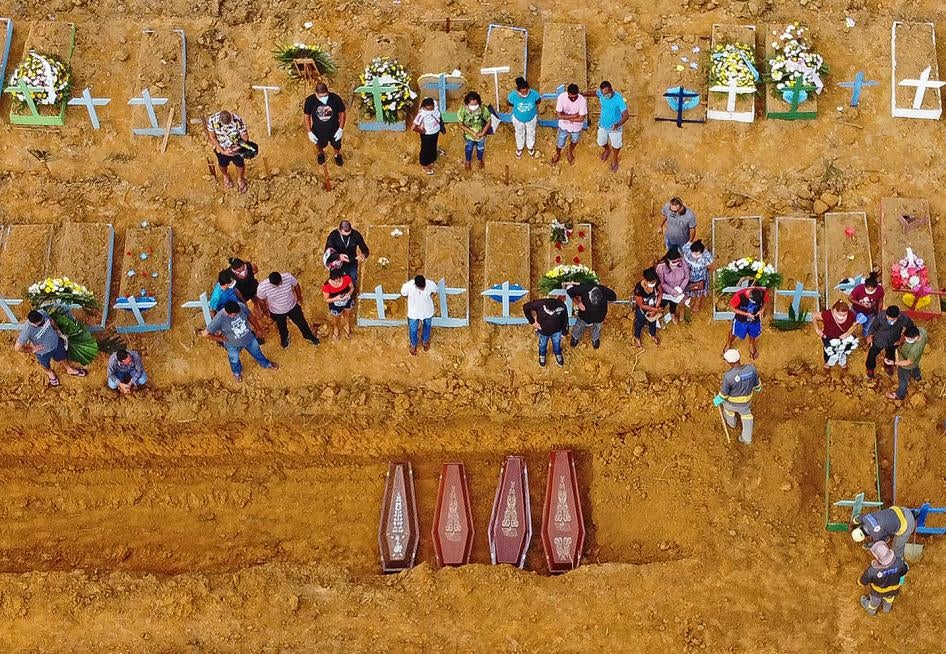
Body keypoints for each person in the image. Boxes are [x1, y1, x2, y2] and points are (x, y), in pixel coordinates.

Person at [202, 300, 278, 382]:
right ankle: (237, 373)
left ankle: (266, 364)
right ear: (228, 313)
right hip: (232, 345)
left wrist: (258, 329)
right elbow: (205, 334)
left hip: (249, 338)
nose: (238, 315)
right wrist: (221, 339)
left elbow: (250, 316)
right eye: (235, 314)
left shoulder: (241, 306)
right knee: (234, 360)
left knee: (257, 352)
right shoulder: (219, 318)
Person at [13, 309, 87, 387]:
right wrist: (32, 349)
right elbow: (17, 348)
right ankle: (50, 373)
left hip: (56, 343)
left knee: (63, 356)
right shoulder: (27, 331)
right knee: (45, 364)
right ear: (33, 324)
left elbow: (51, 321)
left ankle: (69, 369)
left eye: (43, 321)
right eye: (40, 324)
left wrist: (58, 330)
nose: (43, 323)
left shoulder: (42, 313)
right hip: (43, 352)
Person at [255, 271, 320, 349]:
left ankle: (308, 336)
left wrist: (299, 298)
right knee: (282, 327)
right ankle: (285, 339)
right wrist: (266, 312)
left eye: (280, 283)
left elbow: (296, 285)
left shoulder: (288, 277)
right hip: (277, 312)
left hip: (292, 307)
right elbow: (261, 300)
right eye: (276, 286)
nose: (279, 286)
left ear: (281, 279)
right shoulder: (262, 287)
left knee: (302, 323)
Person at [713, 349, 762, 445]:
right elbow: (757, 386)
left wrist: (717, 400)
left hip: (731, 404)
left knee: (728, 411)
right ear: (739, 357)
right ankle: (747, 439)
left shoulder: (728, 376)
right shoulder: (751, 369)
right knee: (747, 416)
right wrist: (758, 389)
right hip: (746, 404)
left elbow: (724, 395)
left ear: (728, 362)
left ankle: (732, 424)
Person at [857, 541, 909, 615]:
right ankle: (886, 610)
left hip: (877, 592)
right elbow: (904, 571)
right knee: (889, 600)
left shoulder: (873, 570)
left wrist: (859, 582)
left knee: (873, 604)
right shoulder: (899, 563)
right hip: (893, 590)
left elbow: (864, 580)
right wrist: (900, 581)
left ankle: (871, 611)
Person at [303, 81, 346, 167]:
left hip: (334, 129)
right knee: (319, 144)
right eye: (321, 96)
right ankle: (320, 154)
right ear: (316, 93)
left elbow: (342, 113)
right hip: (318, 130)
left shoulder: (335, 98)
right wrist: (309, 132)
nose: (324, 98)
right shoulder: (310, 100)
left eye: (325, 96)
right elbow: (307, 116)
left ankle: (337, 155)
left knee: (336, 145)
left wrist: (340, 129)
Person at [206, 110, 250, 193]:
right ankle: (225, 176)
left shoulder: (238, 121)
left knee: (240, 165)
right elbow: (212, 137)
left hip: (237, 150)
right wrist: (221, 150)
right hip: (222, 149)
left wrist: (235, 149)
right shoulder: (212, 120)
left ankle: (240, 179)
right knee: (222, 165)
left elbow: (245, 138)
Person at [851, 506, 918, 560]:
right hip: (903, 510)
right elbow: (856, 519)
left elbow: (886, 539)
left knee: (897, 547)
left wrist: (869, 545)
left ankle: (898, 562)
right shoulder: (865, 518)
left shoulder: (877, 536)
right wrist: (853, 522)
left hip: (908, 524)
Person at [865, 305, 913, 379]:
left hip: (893, 340)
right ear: (886, 314)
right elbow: (873, 326)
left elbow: (910, 327)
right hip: (879, 339)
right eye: (888, 318)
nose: (890, 320)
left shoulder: (904, 319)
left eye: (893, 319)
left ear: (898, 316)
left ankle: (888, 366)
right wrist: (870, 336)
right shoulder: (881, 316)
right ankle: (870, 368)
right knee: (872, 354)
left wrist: (901, 339)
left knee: (890, 355)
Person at [566, 282, 617, 349]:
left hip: (599, 316)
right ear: (589, 293)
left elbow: (614, 297)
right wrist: (578, 303)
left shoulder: (604, 290)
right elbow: (569, 291)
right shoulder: (584, 288)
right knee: (579, 326)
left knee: (597, 328)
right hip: (584, 316)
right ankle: (575, 337)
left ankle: (595, 339)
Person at [523, 295, 568, 367]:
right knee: (542, 345)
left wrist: (564, 331)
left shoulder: (561, 305)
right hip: (543, 332)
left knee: (557, 344)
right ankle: (542, 355)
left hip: (557, 331)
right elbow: (525, 307)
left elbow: (565, 318)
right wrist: (532, 322)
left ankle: (557, 353)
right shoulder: (539, 303)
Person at [594, 81, 629, 173]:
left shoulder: (619, 99)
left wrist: (617, 124)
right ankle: (607, 149)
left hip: (615, 128)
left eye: (607, 93)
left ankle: (615, 158)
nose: (606, 95)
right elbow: (594, 93)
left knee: (616, 145)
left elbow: (626, 115)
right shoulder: (601, 94)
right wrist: (583, 93)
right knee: (601, 142)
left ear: (611, 90)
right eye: (604, 94)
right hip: (603, 126)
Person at [724, 287, 767, 360]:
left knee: (753, 332)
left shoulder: (762, 292)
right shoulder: (739, 295)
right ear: (749, 295)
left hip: (755, 318)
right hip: (741, 319)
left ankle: (751, 344)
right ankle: (728, 344)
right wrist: (746, 314)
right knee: (734, 332)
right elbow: (732, 308)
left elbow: (766, 301)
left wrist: (762, 309)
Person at [886, 325, 928, 401]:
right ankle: (917, 377)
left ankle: (900, 395)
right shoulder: (921, 331)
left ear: (915, 338)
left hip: (906, 365)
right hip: (916, 361)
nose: (905, 339)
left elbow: (908, 362)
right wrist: (899, 342)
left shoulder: (915, 349)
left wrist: (894, 363)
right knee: (915, 368)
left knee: (903, 380)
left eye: (907, 338)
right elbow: (905, 335)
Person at [813, 300, 858, 370]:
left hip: (843, 339)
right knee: (828, 351)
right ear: (835, 311)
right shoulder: (828, 314)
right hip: (829, 337)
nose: (842, 317)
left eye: (844, 315)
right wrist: (817, 329)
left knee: (843, 351)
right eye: (840, 315)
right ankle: (827, 363)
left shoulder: (851, 314)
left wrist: (847, 334)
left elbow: (855, 325)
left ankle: (842, 363)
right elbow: (814, 316)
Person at [551, 83, 588, 166]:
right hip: (563, 126)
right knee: (560, 141)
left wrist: (566, 116)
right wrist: (575, 115)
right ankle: (558, 153)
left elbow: (581, 118)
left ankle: (570, 152)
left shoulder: (582, 100)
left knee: (574, 140)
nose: (574, 99)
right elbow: (559, 116)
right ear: (568, 93)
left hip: (576, 128)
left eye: (576, 96)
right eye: (571, 97)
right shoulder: (561, 98)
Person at [400, 275, 438, 355]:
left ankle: (425, 341)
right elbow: (403, 293)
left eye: (424, 286)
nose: (423, 288)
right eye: (421, 287)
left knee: (427, 326)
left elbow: (435, 291)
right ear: (416, 285)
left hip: (427, 311)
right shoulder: (409, 286)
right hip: (414, 312)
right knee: (413, 330)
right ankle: (413, 344)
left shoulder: (430, 284)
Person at [506, 77, 540, 158]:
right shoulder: (513, 95)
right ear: (518, 91)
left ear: (529, 89)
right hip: (518, 119)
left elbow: (538, 101)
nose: (524, 94)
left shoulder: (534, 94)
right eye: (522, 92)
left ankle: (530, 147)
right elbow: (509, 103)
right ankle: (520, 147)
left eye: (526, 91)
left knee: (531, 132)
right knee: (519, 133)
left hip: (531, 118)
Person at [655, 247, 690, 324]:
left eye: (678, 260)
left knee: (674, 304)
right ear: (668, 259)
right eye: (674, 262)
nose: (677, 263)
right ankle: (659, 317)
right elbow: (661, 283)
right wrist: (672, 291)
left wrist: (681, 289)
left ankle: (672, 314)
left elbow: (687, 276)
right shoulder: (661, 267)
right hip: (666, 292)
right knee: (663, 304)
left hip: (679, 291)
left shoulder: (682, 262)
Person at [456, 91, 491, 170]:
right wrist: (472, 133)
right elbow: (460, 124)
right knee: (469, 148)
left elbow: (489, 121)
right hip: (469, 135)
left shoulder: (483, 109)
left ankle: (479, 159)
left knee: (481, 148)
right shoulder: (462, 111)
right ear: (466, 104)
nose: (474, 106)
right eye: (472, 105)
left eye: (476, 104)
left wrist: (483, 132)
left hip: (481, 135)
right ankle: (468, 161)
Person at [632, 267, 664, 349]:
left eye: (654, 281)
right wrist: (655, 310)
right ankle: (637, 336)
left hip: (654, 306)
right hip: (643, 310)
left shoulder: (656, 282)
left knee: (653, 322)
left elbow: (660, 293)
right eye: (651, 282)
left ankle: (652, 334)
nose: (654, 283)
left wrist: (656, 308)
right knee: (639, 323)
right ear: (645, 280)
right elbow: (641, 304)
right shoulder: (638, 289)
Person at [322, 268, 356, 340]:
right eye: (335, 280)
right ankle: (336, 328)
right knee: (336, 318)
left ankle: (347, 324)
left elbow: (352, 287)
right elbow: (326, 300)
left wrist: (349, 294)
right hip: (335, 305)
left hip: (347, 301)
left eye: (339, 279)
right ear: (331, 279)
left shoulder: (346, 278)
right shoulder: (327, 286)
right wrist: (337, 298)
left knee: (347, 314)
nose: (338, 282)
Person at [681, 240, 714, 313]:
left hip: (701, 276)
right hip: (689, 274)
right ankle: (689, 296)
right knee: (689, 286)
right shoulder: (687, 250)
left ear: (702, 253)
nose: (695, 256)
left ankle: (698, 302)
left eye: (697, 254)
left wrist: (706, 272)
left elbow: (711, 267)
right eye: (694, 254)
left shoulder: (706, 257)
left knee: (701, 288)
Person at [412, 97, 442, 175]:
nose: (431, 109)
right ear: (425, 107)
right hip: (427, 135)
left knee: (433, 145)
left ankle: (433, 157)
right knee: (425, 149)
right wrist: (421, 131)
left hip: (435, 131)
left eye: (432, 107)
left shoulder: (435, 104)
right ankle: (424, 164)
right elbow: (413, 127)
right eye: (429, 108)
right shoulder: (422, 114)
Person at [849, 271, 884, 338]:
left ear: (876, 287)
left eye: (872, 290)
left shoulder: (880, 290)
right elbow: (850, 298)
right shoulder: (859, 289)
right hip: (856, 310)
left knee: (867, 328)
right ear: (865, 286)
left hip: (870, 313)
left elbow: (880, 301)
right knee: (851, 324)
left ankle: (866, 338)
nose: (870, 291)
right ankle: (849, 335)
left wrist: (879, 312)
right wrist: (861, 305)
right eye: (868, 289)